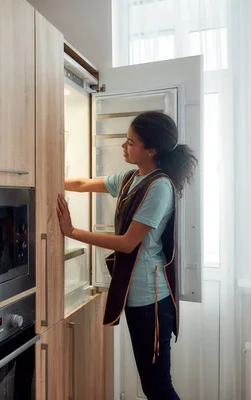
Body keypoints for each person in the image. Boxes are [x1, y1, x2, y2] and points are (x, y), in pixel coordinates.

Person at [57, 111, 197, 400]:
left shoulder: (159, 187)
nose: (124, 146)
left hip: (151, 300)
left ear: (152, 149)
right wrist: (48, 178)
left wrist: (72, 231)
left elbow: (127, 243)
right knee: (153, 386)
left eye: (131, 142)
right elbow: (85, 185)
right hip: (138, 297)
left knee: (158, 388)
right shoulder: (132, 177)